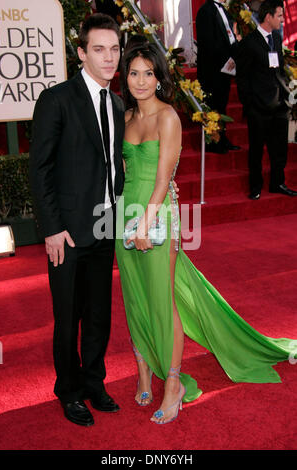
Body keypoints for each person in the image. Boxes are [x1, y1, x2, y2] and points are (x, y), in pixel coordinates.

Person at [115, 39, 296, 425]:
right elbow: (125, 174)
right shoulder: (126, 117)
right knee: (134, 298)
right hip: (124, 214)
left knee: (163, 300)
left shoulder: (167, 117)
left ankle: (173, 385)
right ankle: (144, 371)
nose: (141, 80)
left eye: (149, 73)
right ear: (125, 75)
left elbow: (164, 178)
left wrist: (146, 222)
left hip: (156, 215)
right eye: (134, 73)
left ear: (159, 77)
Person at [29, 13, 125, 426]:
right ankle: (68, 391)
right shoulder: (57, 99)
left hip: (105, 226)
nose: (109, 58)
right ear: (82, 52)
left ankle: (93, 382)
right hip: (66, 232)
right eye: (99, 49)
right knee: (68, 318)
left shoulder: (117, 103)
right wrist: (51, 227)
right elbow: (41, 169)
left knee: (99, 315)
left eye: (114, 49)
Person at [235, 0, 297, 200]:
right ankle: (256, 186)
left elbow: (278, 70)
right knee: (256, 149)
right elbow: (242, 76)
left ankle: (278, 183)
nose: (282, 20)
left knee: (279, 148)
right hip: (258, 107)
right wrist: (249, 103)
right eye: (279, 16)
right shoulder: (250, 42)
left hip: (279, 103)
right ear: (268, 17)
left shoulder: (277, 40)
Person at [195, 0, 241, 154]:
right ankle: (213, 141)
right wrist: (225, 60)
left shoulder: (224, 11)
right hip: (212, 69)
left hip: (226, 68)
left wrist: (234, 56)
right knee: (212, 104)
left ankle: (222, 137)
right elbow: (207, 43)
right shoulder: (205, 11)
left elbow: (230, 38)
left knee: (222, 104)